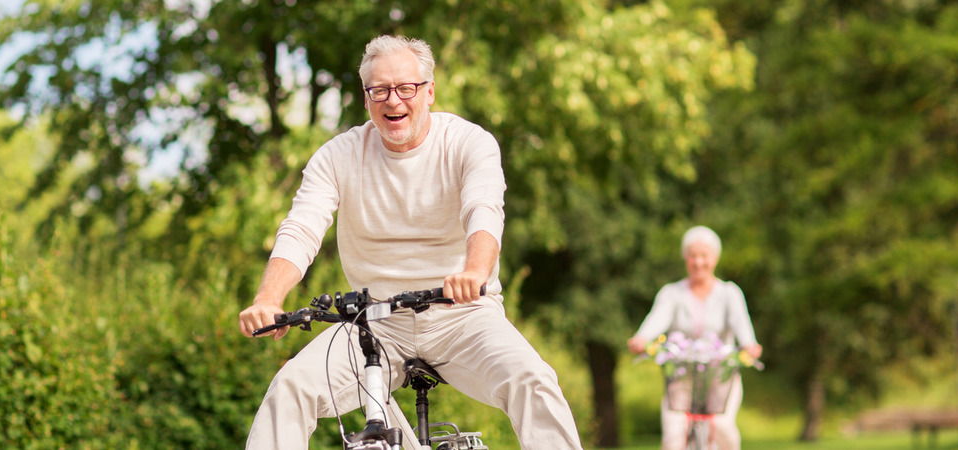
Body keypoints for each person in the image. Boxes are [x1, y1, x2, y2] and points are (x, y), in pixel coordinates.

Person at [237, 35, 583, 450]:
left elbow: (484, 210)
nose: (393, 100)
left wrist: (474, 272)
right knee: (290, 388)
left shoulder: (468, 143)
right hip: (375, 323)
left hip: (462, 317)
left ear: (429, 91)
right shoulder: (338, 156)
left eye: (406, 88)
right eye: (379, 90)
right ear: (366, 98)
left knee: (533, 380)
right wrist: (268, 299)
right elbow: (302, 227)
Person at [627, 225, 763, 450]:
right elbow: (657, 319)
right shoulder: (672, 293)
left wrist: (750, 345)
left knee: (723, 428)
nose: (698, 262)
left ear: (715, 258)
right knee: (673, 436)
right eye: (693, 256)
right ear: (685, 258)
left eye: (704, 256)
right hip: (681, 377)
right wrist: (641, 338)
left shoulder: (729, 293)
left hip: (720, 376)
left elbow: (741, 323)